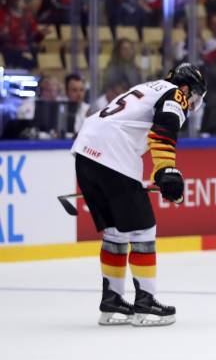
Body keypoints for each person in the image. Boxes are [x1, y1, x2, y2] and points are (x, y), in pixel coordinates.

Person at [71, 63, 207, 327]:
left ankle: (112, 302)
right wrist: (166, 170)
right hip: (113, 154)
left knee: (115, 232)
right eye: (195, 96)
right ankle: (146, 304)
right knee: (144, 230)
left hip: (85, 151)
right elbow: (164, 130)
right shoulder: (175, 93)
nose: (193, 102)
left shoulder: (146, 87)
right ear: (187, 88)